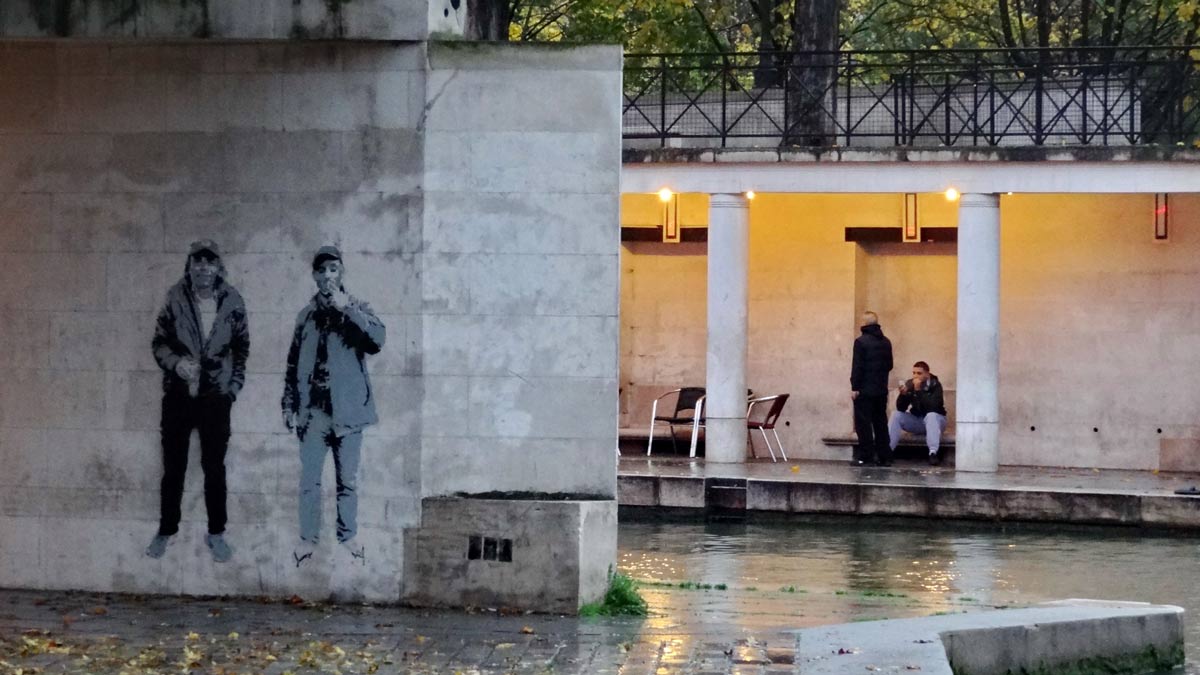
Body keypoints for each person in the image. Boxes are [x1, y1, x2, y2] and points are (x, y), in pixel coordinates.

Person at [282, 246, 386, 567]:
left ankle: (348, 536)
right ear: (314, 276)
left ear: (341, 273)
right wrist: (289, 404)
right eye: (322, 270)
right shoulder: (306, 316)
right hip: (314, 413)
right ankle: (308, 539)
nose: (327, 276)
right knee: (309, 481)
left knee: (348, 480)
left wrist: (348, 309)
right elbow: (292, 364)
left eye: (333, 269)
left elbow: (377, 340)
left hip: (349, 412)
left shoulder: (357, 307)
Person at [146, 240, 249, 563]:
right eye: (198, 261)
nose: (204, 267)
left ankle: (216, 533)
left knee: (214, 469)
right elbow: (159, 343)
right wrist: (176, 363)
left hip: (215, 399)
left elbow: (242, 349)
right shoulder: (175, 297)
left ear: (218, 267)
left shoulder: (232, 301)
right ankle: (166, 529)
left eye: (210, 261)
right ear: (189, 265)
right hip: (178, 396)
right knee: (173, 468)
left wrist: (232, 390)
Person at [850, 311, 893, 466]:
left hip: (865, 389)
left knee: (863, 424)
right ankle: (885, 456)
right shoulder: (886, 342)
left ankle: (866, 455)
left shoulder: (860, 342)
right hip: (881, 389)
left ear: (864, 323)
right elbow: (890, 365)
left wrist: (855, 387)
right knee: (880, 422)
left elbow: (857, 367)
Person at [889, 361, 949, 465]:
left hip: (936, 421)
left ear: (927, 374)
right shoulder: (910, 384)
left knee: (931, 416)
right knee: (896, 415)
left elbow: (933, 407)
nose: (915, 376)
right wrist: (903, 395)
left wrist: (918, 391)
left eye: (919, 373)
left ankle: (933, 453)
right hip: (919, 420)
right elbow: (901, 408)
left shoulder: (935, 385)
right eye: (914, 373)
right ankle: (888, 450)